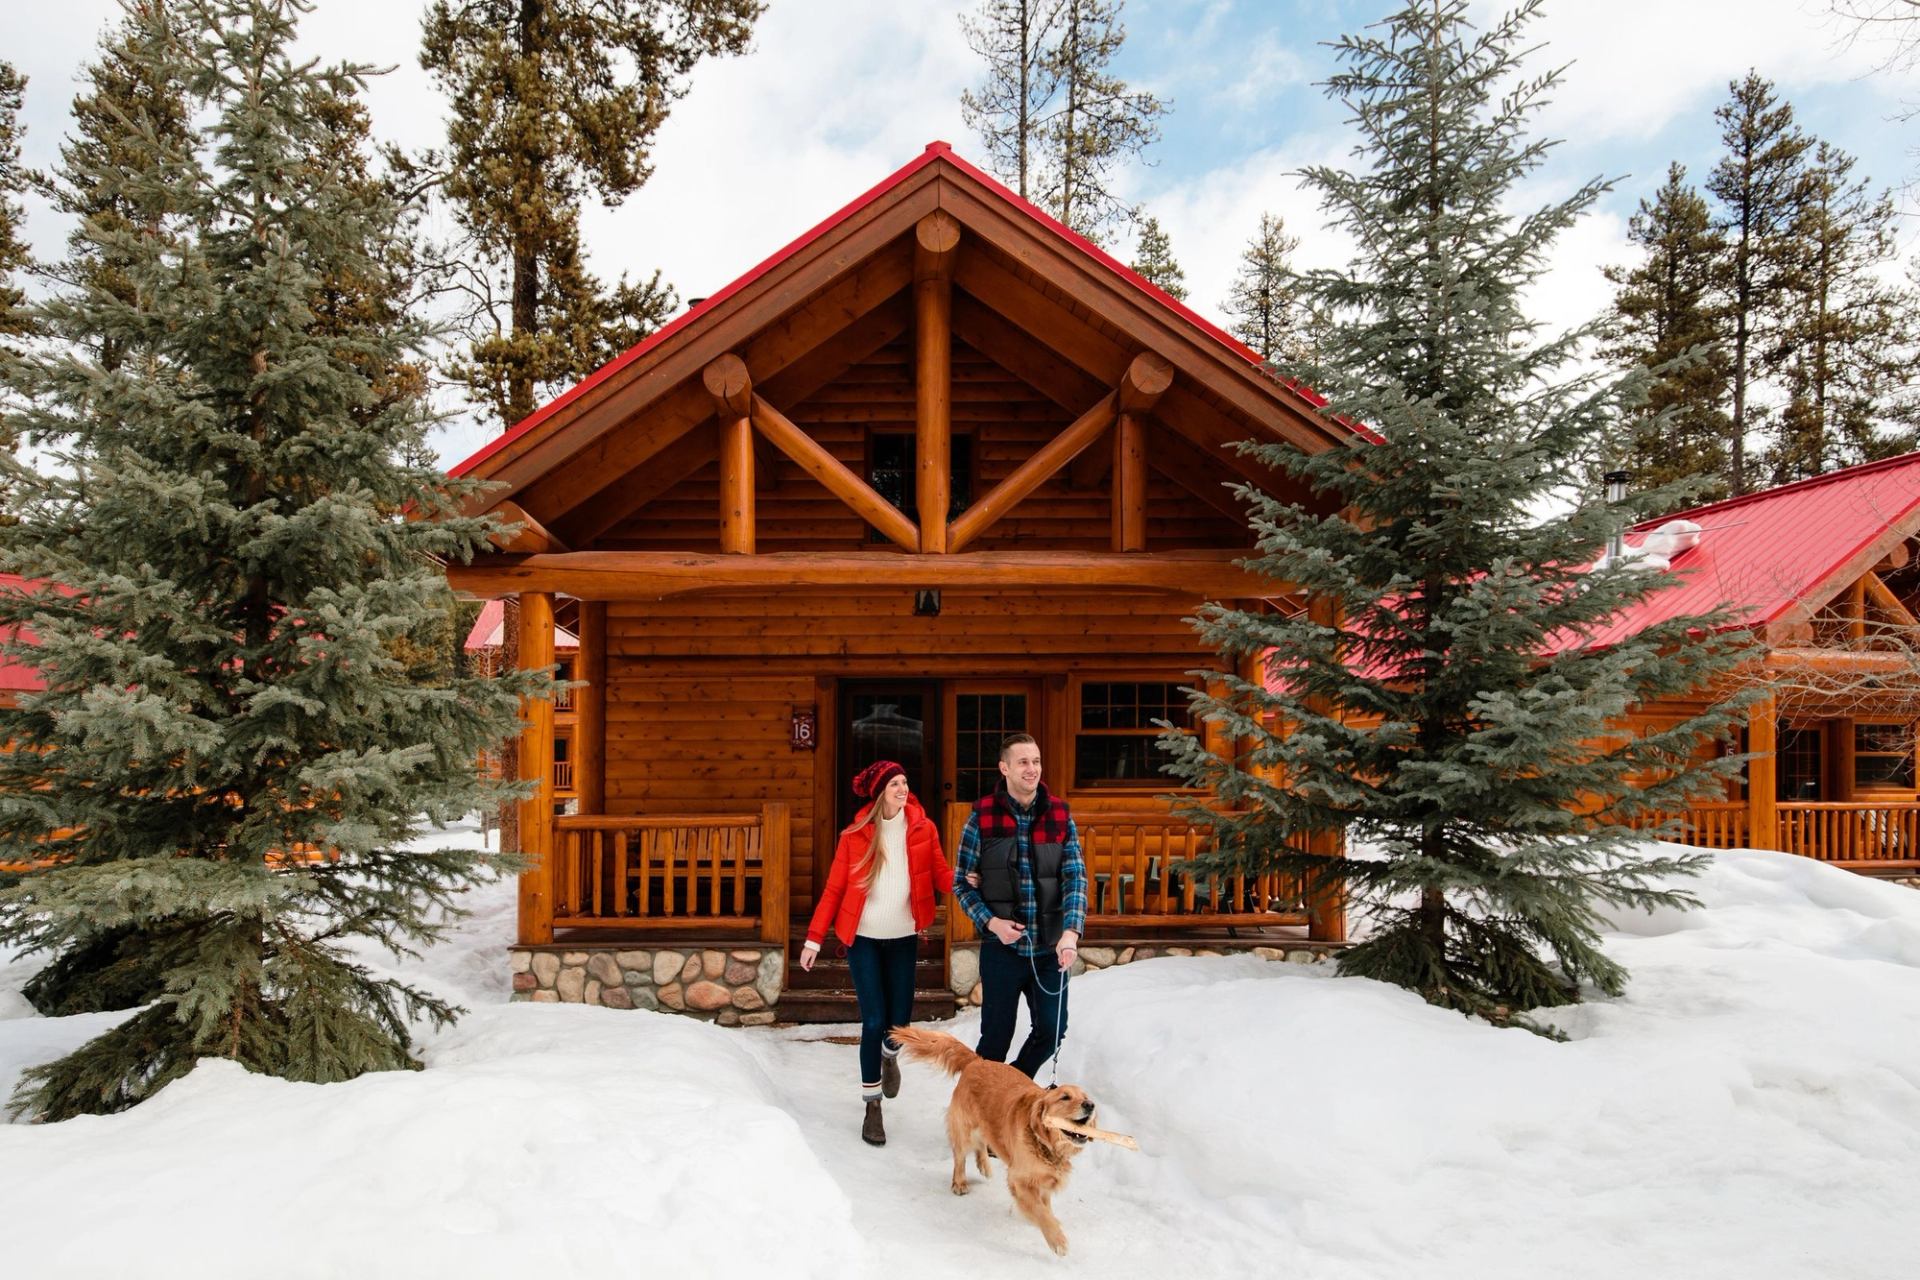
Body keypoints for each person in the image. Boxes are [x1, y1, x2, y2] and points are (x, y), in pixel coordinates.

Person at [801, 759, 954, 1147]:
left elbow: (940, 875)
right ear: (880, 793)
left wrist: (970, 878)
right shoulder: (855, 836)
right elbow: (834, 890)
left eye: (905, 782)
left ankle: (890, 1054)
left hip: (903, 936)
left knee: (898, 1022)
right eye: (895, 785)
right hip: (864, 939)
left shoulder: (923, 828)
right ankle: (872, 1106)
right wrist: (813, 939)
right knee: (873, 1021)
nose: (903, 789)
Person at [951, 733, 1087, 1079]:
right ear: (1005, 768)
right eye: (1023, 762)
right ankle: (980, 1107)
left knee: (1052, 1032)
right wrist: (992, 923)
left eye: (1036, 761)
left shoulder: (1059, 815)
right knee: (995, 1040)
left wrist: (1070, 933)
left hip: (1048, 949)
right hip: (1002, 951)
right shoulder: (981, 817)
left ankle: (1010, 1090)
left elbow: (1075, 878)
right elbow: (961, 885)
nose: (1032, 769)